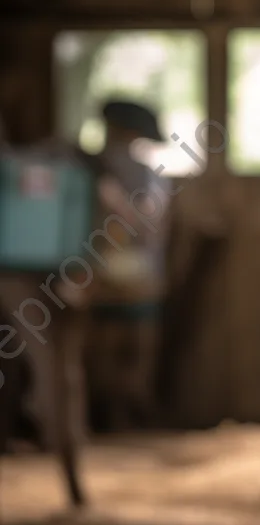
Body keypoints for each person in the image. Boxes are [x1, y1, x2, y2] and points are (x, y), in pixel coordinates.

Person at [87, 99, 170, 431]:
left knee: (104, 346)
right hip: (135, 274)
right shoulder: (145, 173)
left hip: (101, 273)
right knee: (135, 347)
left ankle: (114, 412)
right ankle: (128, 410)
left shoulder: (94, 167)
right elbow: (154, 224)